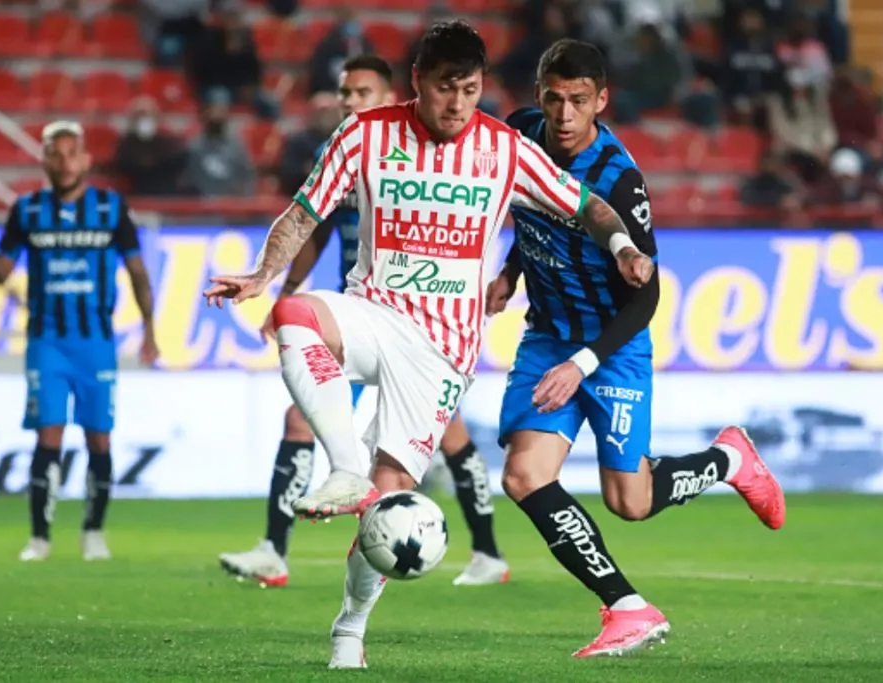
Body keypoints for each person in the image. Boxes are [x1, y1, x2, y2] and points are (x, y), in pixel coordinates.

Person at [202, 20, 654, 668]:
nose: (459, 105)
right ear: (418, 81)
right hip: (373, 310)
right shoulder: (364, 134)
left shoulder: (503, 148)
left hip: (441, 350)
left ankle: (348, 631)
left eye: (470, 90)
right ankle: (343, 466)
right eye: (446, 89)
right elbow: (304, 211)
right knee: (292, 313)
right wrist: (261, 274)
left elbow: (590, 206)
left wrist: (624, 248)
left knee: (387, 506)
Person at [486, 39, 787, 658]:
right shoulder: (520, 135)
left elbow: (645, 299)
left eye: (578, 101)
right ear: (538, 95)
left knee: (632, 500)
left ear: (601, 100)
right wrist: (513, 272)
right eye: (553, 99)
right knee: (523, 475)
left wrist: (584, 363)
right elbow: (537, 212)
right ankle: (627, 607)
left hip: (610, 346)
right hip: (548, 337)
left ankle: (730, 461)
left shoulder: (620, 181)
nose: (564, 114)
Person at [217, 54, 509, 588]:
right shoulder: (351, 154)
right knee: (298, 421)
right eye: (344, 92)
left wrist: (502, 278)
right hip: (362, 320)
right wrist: (279, 290)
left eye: (360, 92)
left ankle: (488, 549)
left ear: (393, 95)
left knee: (451, 437)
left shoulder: (413, 151)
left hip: (428, 328)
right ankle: (274, 548)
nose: (347, 102)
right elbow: (314, 230)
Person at [0, 121, 159, 562]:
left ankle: (93, 532)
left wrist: (149, 330)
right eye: (55, 153)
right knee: (48, 437)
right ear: (43, 159)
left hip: (96, 342)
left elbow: (138, 271)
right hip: (46, 341)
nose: (64, 161)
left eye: (72, 153)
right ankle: (40, 537)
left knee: (99, 440)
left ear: (86, 159)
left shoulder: (110, 208)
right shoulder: (26, 211)